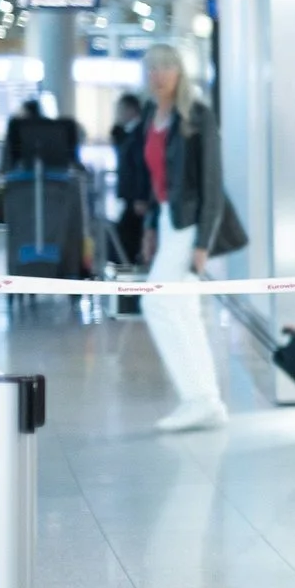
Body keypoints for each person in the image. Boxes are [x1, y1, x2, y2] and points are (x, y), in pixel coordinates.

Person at [139, 46, 233, 431]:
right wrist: (149, 226)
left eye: (166, 66)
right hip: (167, 218)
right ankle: (204, 399)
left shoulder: (198, 115)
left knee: (158, 304)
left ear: (179, 71)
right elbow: (156, 178)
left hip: (190, 224)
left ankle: (199, 397)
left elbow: (212, 183)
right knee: (184, 312)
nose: (158, 74)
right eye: (151, 68)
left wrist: (203, 243)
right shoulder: (153, 116)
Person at [111, 91, 150, 269]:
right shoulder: (129, 134)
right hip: (131, 199)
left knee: (126, 243)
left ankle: (129, 290)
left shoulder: (139, 134)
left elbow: (141, 166)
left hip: (136, 200)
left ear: (131, 110)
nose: (118, 115)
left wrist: (140, 196)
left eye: (120, 110)